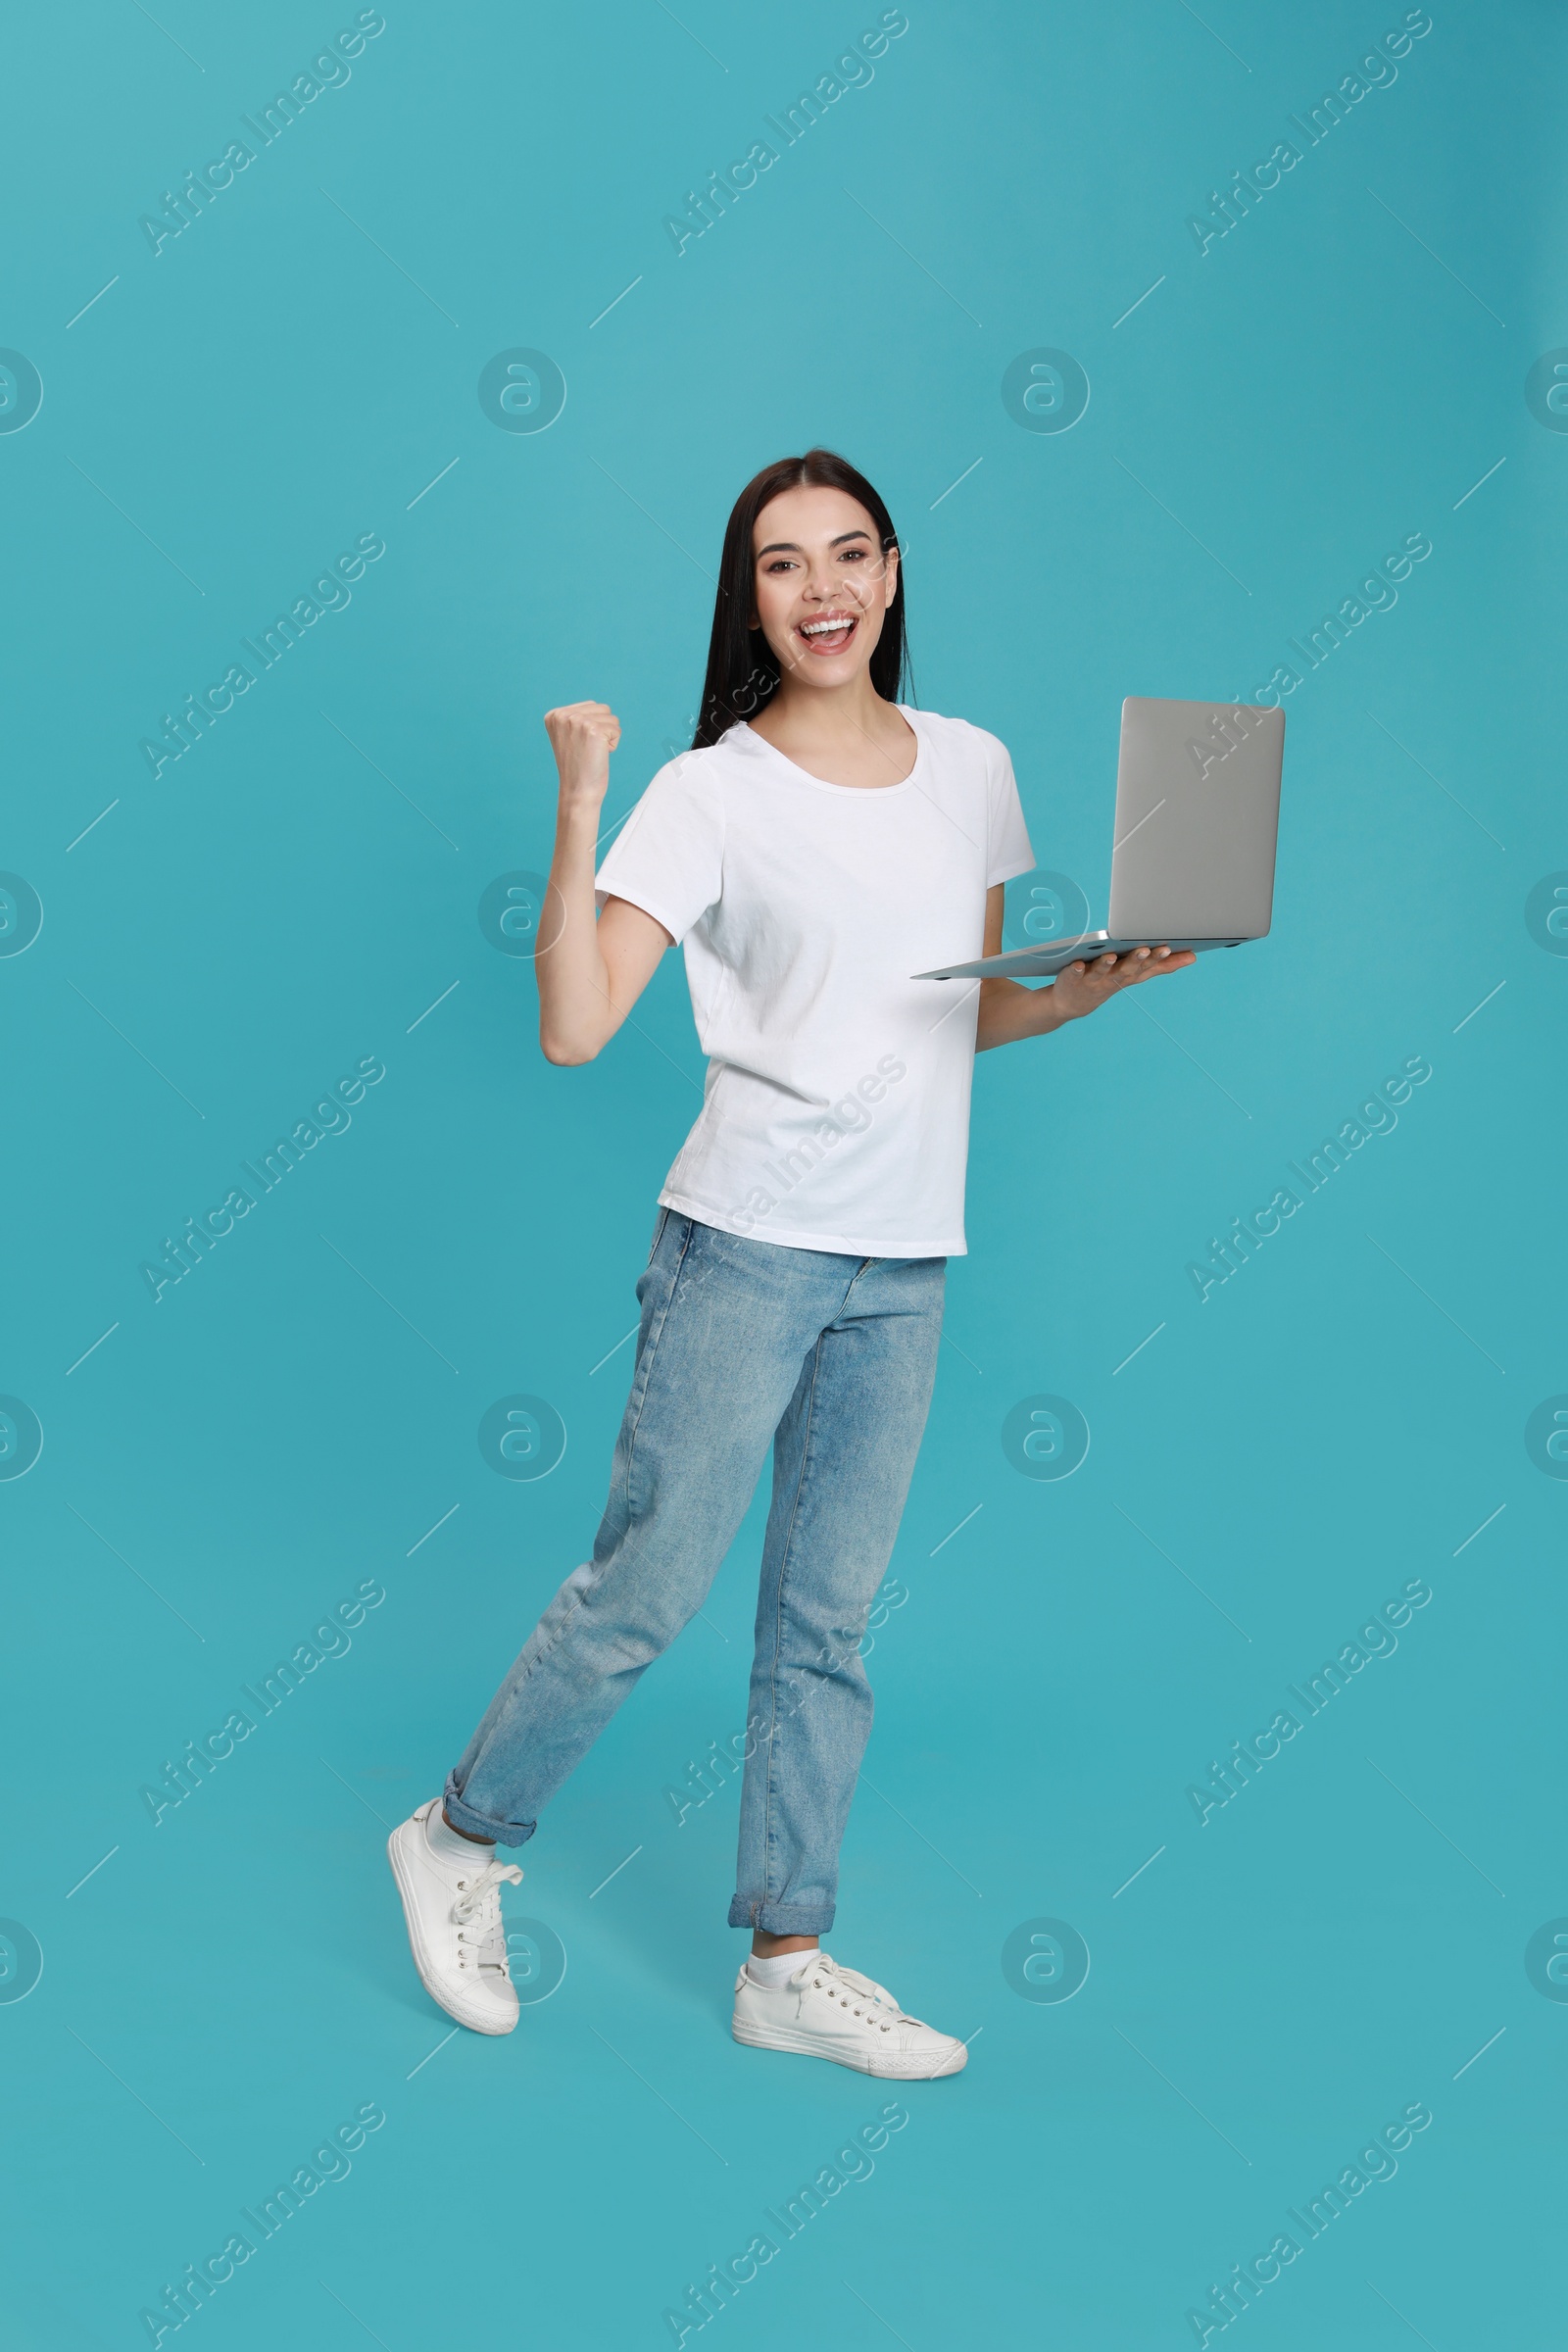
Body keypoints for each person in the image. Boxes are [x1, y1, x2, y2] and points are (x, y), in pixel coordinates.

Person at [387, 448, 1193, 2078]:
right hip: (748, 1245)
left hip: (906, 1255)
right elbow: (572, 1025)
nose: (818, 589)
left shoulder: (970, 765)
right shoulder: (712, 791)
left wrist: (1086, 990)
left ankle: (788, 1958)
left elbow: (959, 1002)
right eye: (779, 564)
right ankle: (459, 1837)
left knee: (826, 1621)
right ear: (748, 598)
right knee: (645, 1592)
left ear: (892, 576)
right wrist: (578, 802)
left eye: (846, 555)